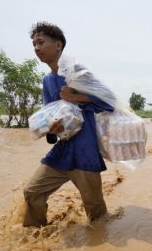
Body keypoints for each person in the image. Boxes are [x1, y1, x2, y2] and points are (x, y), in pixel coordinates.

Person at [23, 22, 114, 227]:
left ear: (58, 45)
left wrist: (76, 96)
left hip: (85, 151)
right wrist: (51, 131)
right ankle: (35, 238)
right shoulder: (47, 81)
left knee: (96, 212)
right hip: (61, 152)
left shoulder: (77, 72)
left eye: (40, 42)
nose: (36, 48)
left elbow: (110, 101)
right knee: (32, 192)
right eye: (34, 44)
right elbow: (50, 116)